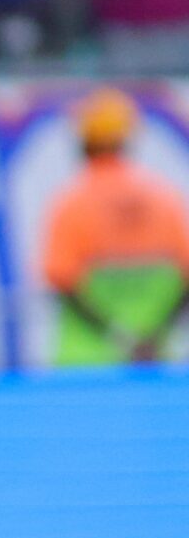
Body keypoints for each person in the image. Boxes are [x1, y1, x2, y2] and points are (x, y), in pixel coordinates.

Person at [36, 89, 189, 368]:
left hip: (88, 365)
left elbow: (62, 283)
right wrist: (153, 339)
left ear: (84, 140)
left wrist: (120, 338)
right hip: (159, 361)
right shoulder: (166, 199)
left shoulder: (71, 203)